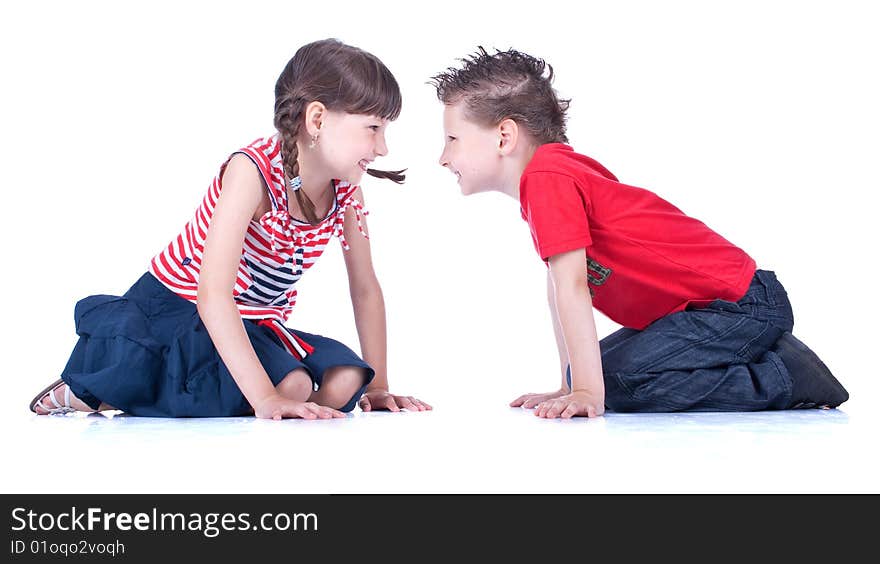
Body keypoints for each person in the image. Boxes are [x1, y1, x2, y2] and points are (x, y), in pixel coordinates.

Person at [430, 47, 848, 418]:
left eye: (452, 139)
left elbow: (573, 288)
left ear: (504, 136)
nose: (443, 157)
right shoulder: (553, 174)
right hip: (710, 310)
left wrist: (588, 391)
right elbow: (559, 287)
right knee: (596, 371)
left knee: (613, 383)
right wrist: (571, 382)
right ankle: (766, 352)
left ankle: (783, 375)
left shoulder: (547, 177)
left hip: (738, 306)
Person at [30, 39, 431, 419]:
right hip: (179, 310)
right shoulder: (251, 172)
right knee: (289, 384)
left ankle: (237, 394)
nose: (382, 149)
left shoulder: (347, 192)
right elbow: (212, 293)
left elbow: (364, 288)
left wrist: (378, 385)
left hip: (252, 319)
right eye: (373, 129)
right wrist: (266, 397)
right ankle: (104, 388)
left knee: (347, 379)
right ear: (317, 119)